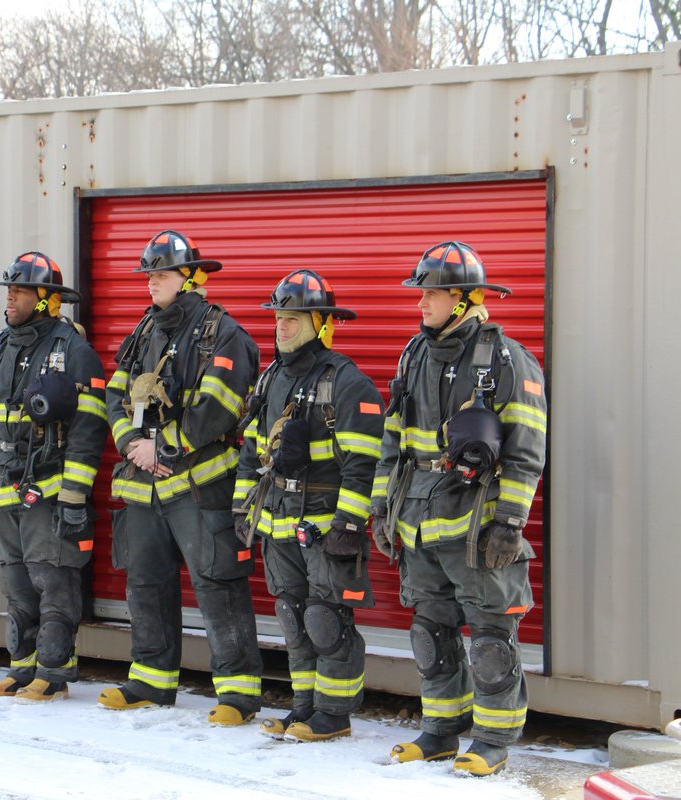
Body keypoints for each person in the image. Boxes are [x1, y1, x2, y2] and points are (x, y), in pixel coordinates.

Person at [372, 241, 547, 776]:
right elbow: (392, 439)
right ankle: (442, 729)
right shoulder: (414, 354)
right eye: (420, 292)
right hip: (420, 523)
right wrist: (381, 509)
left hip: (477, 527)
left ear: (466, 298)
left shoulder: (508, 359)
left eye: (432, 293)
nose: (421, 302)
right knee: (431, 631)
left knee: (491, 635)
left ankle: (492, 738)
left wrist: (511, 522)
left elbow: (527, 448)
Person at [100, 230, 262, 726]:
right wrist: (131, 444)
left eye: (162, 275)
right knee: (146, 584)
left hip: (200, 487)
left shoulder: (223, 333)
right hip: (145, 484)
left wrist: (163, 447)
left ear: (190, 278)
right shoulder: (145, 331)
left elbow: (219, 407)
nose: (152, 284)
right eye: (148, 275)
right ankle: (151, 680)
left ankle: (237, 694)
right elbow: (113, 394)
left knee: (218, 585)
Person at [233, 270, 383, 742]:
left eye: (292, 319)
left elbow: (364, 465)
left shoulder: (347, 383)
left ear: (320, 323)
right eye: (278, 317)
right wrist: (242, 510)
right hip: (277, 526)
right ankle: (303, 708)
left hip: (323, 530)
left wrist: (349, 524)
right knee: (293, 618)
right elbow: (250, 452)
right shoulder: (271, 378)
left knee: (325, 619)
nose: (281, 327)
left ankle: (334, 715)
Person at [0, 252, 107, 702]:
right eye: (9, 288)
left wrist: (73, 496)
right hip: (2, 489)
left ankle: (53, 672)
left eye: (20, 289)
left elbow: (89, 431)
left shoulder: (74, 352)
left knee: (53, 582)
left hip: (48, 494)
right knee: (17, 585)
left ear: (46, 299)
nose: (9, 296)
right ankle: (22, 667)